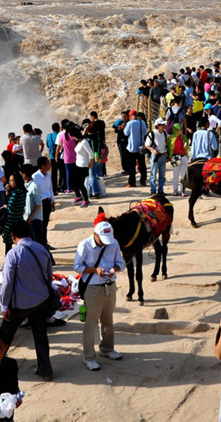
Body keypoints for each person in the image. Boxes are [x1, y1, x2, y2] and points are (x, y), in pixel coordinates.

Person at [0, 221, 55, 381]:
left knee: (4, 336)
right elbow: (49, 275)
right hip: (41, 300)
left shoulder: (13, 254)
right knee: (40, 335)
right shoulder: (42, 249)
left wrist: (4, 305)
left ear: (12, 236)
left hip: (20, 304)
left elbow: (7, 283)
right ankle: (46, 370)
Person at [74, 221, 125, 372]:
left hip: (110, 286)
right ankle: (88, 357)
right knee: (91, 323)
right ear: (95, 234)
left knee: (108, 320)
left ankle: (107, 349)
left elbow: (120, 263)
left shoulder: (113, 243)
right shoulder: (84, 245)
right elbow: (77, 267)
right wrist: (95, 270)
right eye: (102, 239)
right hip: (93, 288)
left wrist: (114, 269)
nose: (105, 243)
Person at [124, 111, 148, 187]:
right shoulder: (142, 122)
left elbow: (125, 133)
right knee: (142, 165)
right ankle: (143, 181)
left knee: (132, 166)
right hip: (141, 147)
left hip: (132, 147)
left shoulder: (130, 123)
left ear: (131, 116)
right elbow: (145, 132)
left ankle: (132, 182)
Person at [146, 118, 169, 195]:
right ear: (158, 125)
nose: (164, 126)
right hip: (155, 157)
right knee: (153, 174)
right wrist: (153, 150)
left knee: (162, 175)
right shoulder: (152, 134)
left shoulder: (165, 133)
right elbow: (147, 145)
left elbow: (167, 144)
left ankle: (160, 190)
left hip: (163, 156)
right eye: (162, 125)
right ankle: (153, 190)